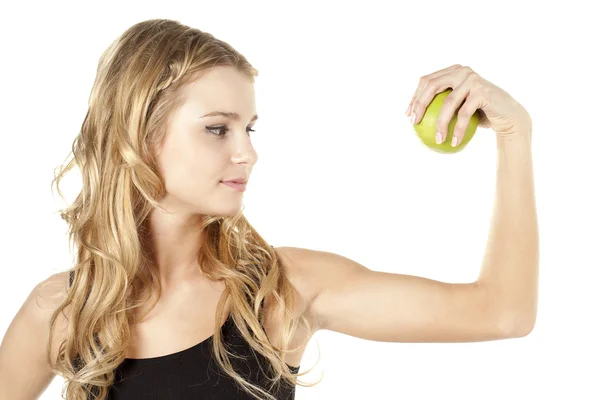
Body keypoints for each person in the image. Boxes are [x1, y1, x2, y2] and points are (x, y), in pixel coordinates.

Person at [0, 18, 538, 400]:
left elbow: (503, 313)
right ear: (137, 136)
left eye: (248, 128)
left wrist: (516, 135)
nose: (247, 152)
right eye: (217, 128)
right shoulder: (62, 312)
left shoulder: (284, 290)